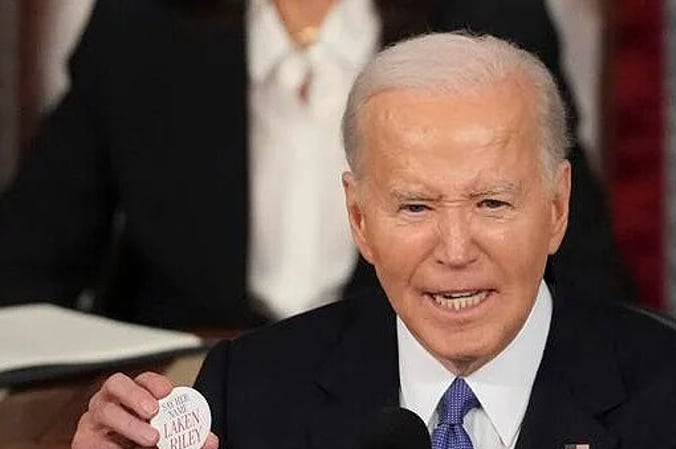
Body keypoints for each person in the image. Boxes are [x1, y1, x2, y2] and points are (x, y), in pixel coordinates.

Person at [1, 33, 676, 449]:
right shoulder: (256, 394)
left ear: (557, 206)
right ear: (360, 218)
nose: (456, 248)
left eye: (494, 203)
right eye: (414, 208)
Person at [0, 0, 631, 330]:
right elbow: (27, 270)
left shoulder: (492, 22)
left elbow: (582, 273)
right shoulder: (137, 28)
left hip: (424, 399)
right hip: (194, 415)